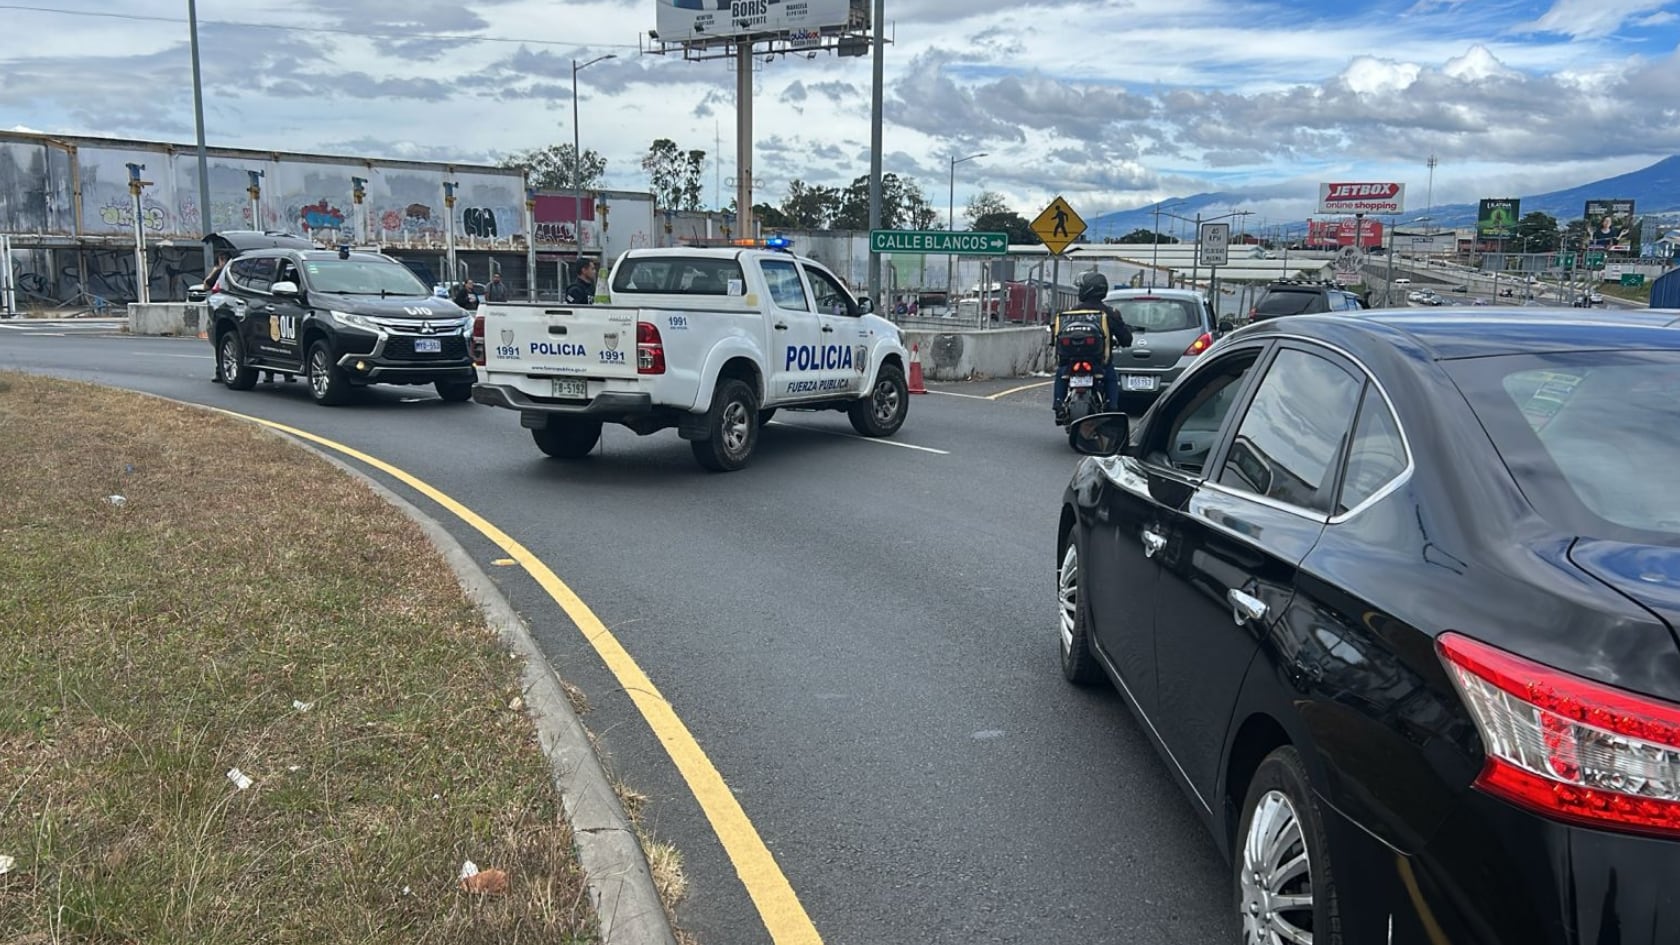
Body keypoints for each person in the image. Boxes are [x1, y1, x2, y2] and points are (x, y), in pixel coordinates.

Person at [1050, 270, 1132, 423]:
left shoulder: (1070, 313)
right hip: (1099, 363)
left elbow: (1055, 335)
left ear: (1086, 289)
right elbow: (1126, 339)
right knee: (1111, 377)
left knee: (1061, 374)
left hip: (1070, 362)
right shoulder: (1110, 313)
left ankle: (1058, 405)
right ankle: (1112, 408)